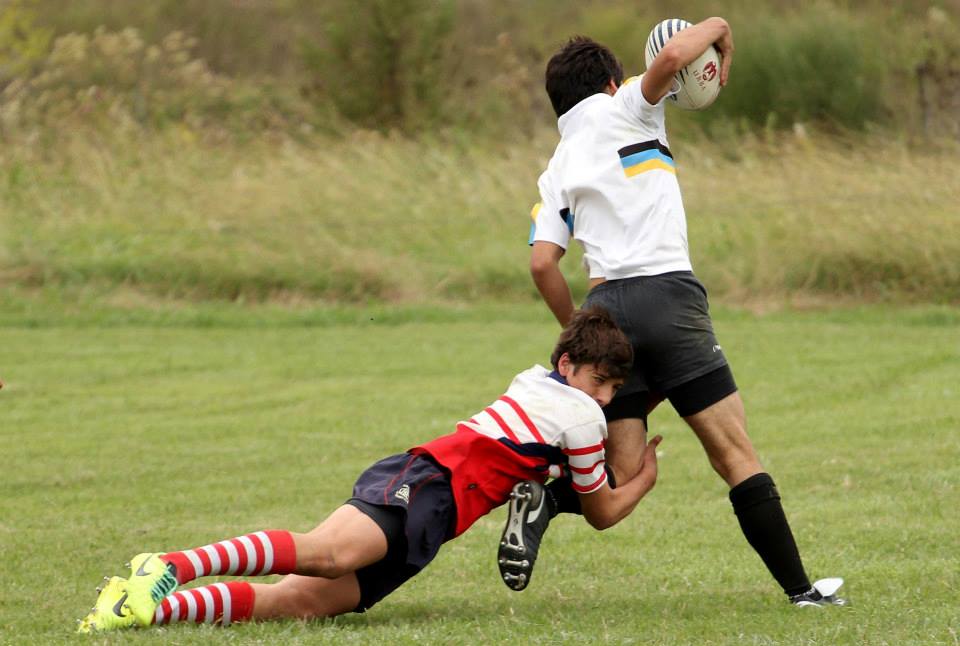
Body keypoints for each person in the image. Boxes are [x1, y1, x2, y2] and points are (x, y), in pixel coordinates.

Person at [503, 19, 845, 607]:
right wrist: (722, 29)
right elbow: (672, 60)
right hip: (669, 297)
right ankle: (801, 591)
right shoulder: (629, 106)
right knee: (733, 453)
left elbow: (542, 264)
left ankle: (546, 499)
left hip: (607, 311)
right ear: (611, 83)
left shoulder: (555, 166)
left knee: (622, 469)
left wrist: (581, 328)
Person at [77, 307, 664, 633]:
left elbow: (540, 444)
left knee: (300, 603)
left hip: (438, 515)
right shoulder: (583, 417)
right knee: (327, 553)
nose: (606, 398)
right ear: (568, 364)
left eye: (613, 388)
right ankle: (169, 567)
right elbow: (604, 511)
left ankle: (140, 611)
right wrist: (642, 477)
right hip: (429, 481)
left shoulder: (535, 379)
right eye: (598, 381)